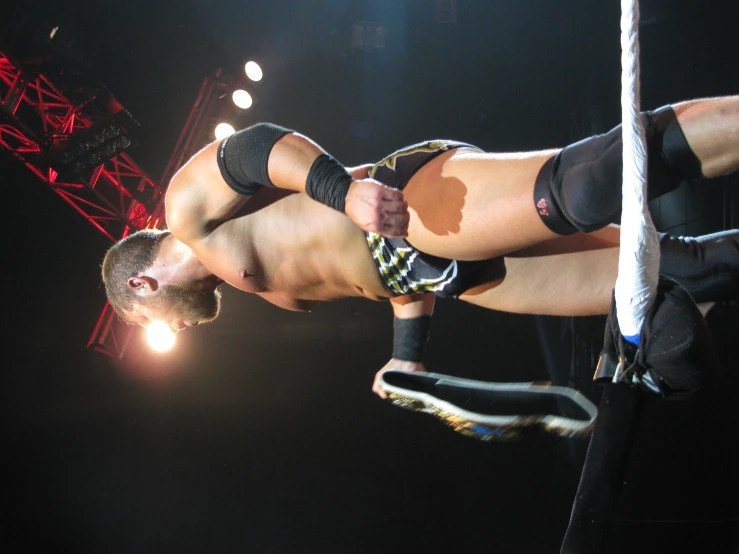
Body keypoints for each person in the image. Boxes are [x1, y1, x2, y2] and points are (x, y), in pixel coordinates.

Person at [101, 95, 739, 396]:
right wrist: (407, 356)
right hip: (433, 271)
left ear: (140, 284)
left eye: (145, 322)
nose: (172, 333)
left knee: (589, 182)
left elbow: (256, 145)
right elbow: (383, 280)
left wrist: (343, 193)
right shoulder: (246, 286)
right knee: (665, 276)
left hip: (411, 204)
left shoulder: (184, 211)